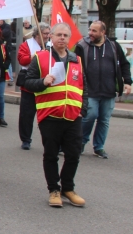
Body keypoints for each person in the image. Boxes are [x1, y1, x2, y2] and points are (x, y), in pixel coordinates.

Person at [24, 23, 87, 208]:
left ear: (69, 38)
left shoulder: (77, 60)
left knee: (74, 154)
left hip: (73, 116)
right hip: (50, 115)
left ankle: (68, 188)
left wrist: (83, 109)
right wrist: (43, 81)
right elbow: (27, 82)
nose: (62, 38)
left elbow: (84, 87)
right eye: (58, 34)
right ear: (50, 36)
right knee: (51, 155)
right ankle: (54, 190)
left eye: (65, 35)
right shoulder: (41, 57)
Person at [75, 21, 131, 159]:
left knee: (104, 120)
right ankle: (81, 142)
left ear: (102, 32)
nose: (90, 33)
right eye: (90, 30)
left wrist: (128, 82)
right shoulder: (82, 46)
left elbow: (124, 64)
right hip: (89, 90)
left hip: (109, 90)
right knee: (90, 116)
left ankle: (99, 147)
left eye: (94, 31)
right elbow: (74, 65)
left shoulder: (114, 46)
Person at [17, 22, 50, 150]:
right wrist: (38, 55)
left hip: (46, 83)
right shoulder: (27, 45)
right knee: (27, 114)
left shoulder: (51, 45)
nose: (47, 36)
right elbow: (22, 60)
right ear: (37, 34)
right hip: (29, 84)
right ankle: (26, 139)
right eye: (44, 33)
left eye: (48, 33)